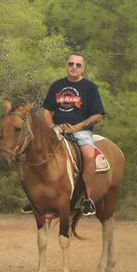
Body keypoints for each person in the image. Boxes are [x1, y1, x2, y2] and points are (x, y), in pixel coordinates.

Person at [40, 52, 105, 217]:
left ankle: (86, 198)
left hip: (81, 131)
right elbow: (47, 110)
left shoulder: (90, 88)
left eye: (77, 65)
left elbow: (97, 115)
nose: (73, 67)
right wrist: (52, 127)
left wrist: (76, 128)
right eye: (71, 64)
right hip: (57, 130)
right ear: (66, 66)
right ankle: (38, 196)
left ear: (83, 68)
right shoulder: (57, 86)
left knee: (89, 155)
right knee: (37, 152)